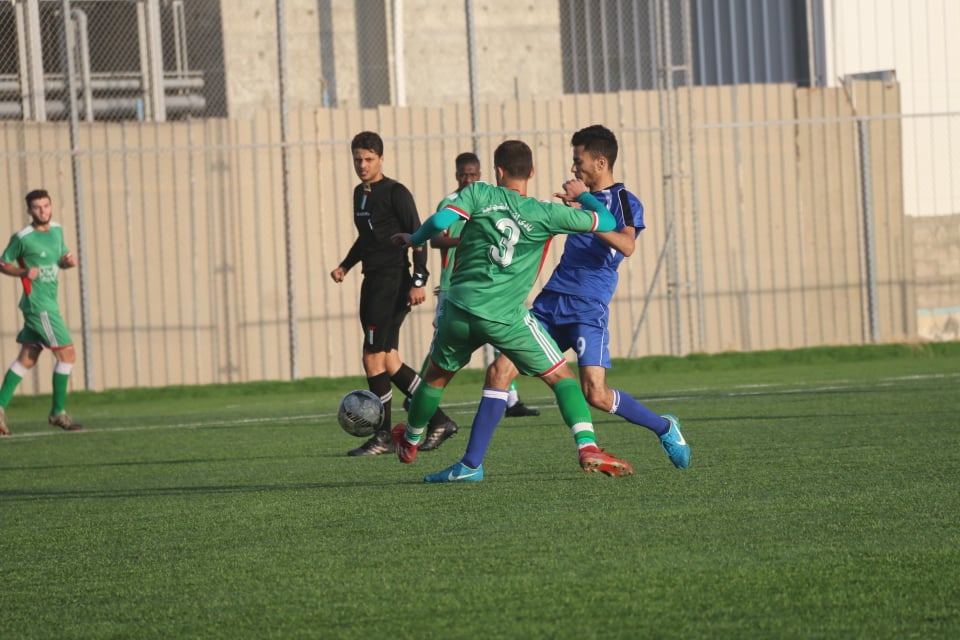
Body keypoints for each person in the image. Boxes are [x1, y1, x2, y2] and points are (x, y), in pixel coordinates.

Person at [390, 139, 633, 482]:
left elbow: (441, 220)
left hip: (459, 309)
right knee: (562, 378)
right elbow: (606, 221)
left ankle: (411, 442)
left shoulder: (479, 193)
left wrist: (414, 239)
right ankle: (587, 446)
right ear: (531, 172)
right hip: (506, 317)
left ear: (498, 171)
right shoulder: (546, 213)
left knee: (435, 378)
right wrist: (584, 196)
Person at [488, 124, 690, 469]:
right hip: (551, 302)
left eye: (578, 161)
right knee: (500, 370)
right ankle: (472, 463)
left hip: (587, 308)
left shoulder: (624, 201)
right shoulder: (580, 202)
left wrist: (586, 205)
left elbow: (626, 246)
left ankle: (664, 427)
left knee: (596, 393)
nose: (573, 168)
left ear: (600, 162)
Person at [330, 131, 458, 456]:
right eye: (358, 159)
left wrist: (418, 280)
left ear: (381, 159)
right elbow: (366, 239)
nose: (362, 165)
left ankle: (383, 435)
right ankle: (440, 421)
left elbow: (419, 234)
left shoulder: (396, 192)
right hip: (372, 280)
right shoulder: (360, 193)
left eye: (368, 159)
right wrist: (345, 265)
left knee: (372, 357)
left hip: (392, 282)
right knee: (389, 360)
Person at [427, 151, 539, 420]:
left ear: (481, 173)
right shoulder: (450, 203)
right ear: (456, 175)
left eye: (473, 174)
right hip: (453, 284)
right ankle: (420, 392)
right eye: (463, 174)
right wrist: (467, 240)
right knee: (443, 344)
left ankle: (511, 399)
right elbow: (435, 239)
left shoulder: (488, 201)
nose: (468, 179)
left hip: (488, 284)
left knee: (503, 341)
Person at [0, 189, 83, 435]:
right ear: (29, 210)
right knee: (67, 355)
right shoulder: (23, 238)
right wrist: (23, 272)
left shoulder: (57, 230)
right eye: (37, 207)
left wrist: (67, 262)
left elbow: (61, 257)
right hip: (39, 307)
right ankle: (57, 412)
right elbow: (3, 263)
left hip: (47, 303)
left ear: (51, 206)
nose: (42, 211)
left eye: (46, 205)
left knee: (27, 358)